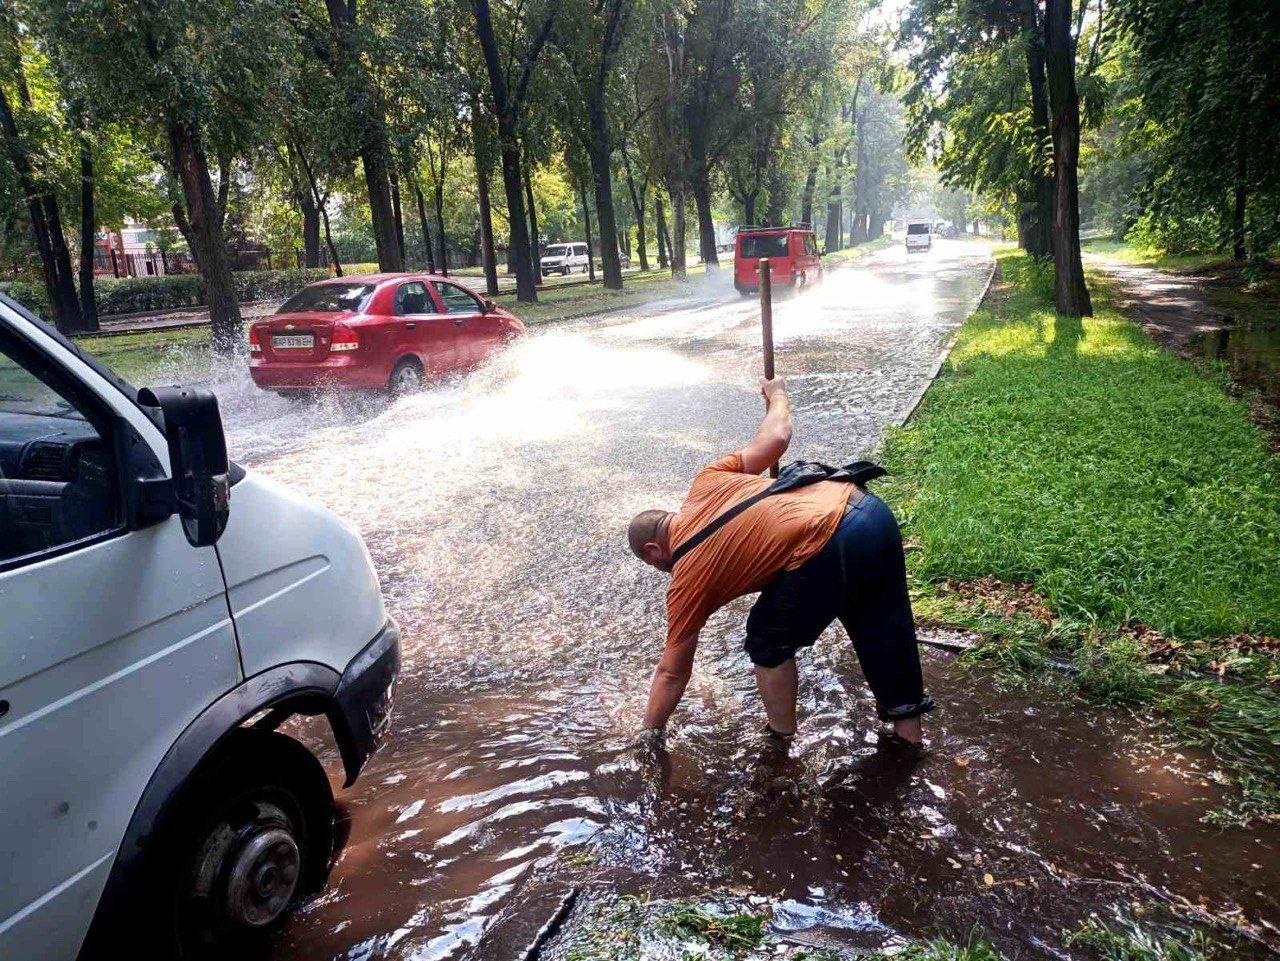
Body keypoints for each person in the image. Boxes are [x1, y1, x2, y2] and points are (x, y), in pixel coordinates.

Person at [626, 376, 933, 744]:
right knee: (881, 623)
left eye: (657, 566)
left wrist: (649, 733)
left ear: (653, 551)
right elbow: (776, 439)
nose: (664, 571)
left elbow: (672, 673)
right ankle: (909, 738)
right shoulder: (706, 481)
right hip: (866, 508)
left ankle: (781, 739)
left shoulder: (686, 577)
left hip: (829, 542)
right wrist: (776, 393)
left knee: (765, 638)